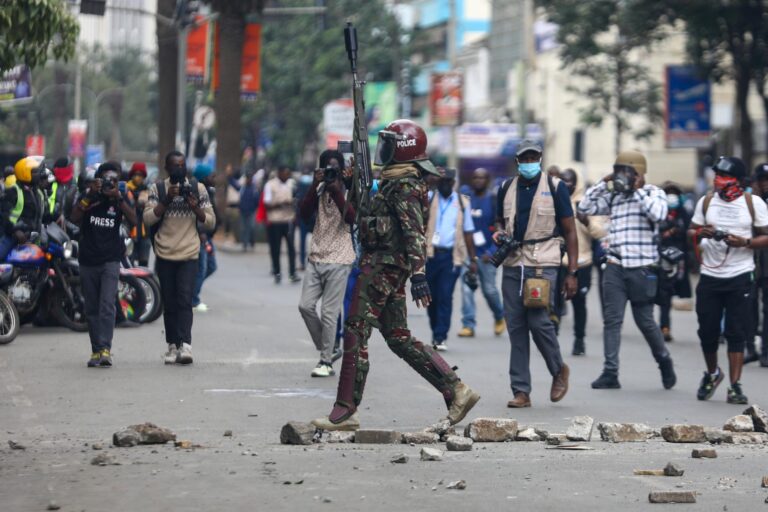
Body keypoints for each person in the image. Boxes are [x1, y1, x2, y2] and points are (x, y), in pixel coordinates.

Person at [311, 119, 481, 431]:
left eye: (389, 143)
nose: (383, 149)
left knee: (355, 328)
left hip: (383, 268)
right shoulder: (394, 183)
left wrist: (419, 274)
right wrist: (349, 185)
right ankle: (456, 390)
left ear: (402, 149)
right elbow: (361, 217)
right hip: (384, 266)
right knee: (398, 337)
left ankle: (346, 409)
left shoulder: (405, 186)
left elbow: (415, 233)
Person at [579, 150, 677, 391]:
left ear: (639, 173)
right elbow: (585, 206)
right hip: (615, 266)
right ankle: (610, 372)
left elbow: (658, 214)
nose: (622, 176)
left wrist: (636, 189)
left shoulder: (653, 193)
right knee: (612, 321)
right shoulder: (615, 197)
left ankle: (663, 360)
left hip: (642, 268)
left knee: (645, 321)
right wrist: (605, 181)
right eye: (620, 171)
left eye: (626, 172)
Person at [494, 139, 576, 408]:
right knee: (516, 327)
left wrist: (572, 271)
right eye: (524, 158)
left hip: (543, 262)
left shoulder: (555, 187)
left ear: (540, 158)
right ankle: (521, 391)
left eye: (533, 157)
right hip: (513, 262)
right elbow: (497, 221)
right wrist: (498, 234)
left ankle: (558, 370)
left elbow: (570, 230)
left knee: (539, 321)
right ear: (517, 161)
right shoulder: (506, 187)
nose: (529, 162)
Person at [688, 157, 768, 404]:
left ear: (737, 181)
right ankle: (712, 373)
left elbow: (766, 237)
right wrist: (702, 232)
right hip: (710, 276)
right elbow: (691, 231)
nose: (718, 180)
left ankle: (735, 385)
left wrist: (744, 242)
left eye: (723, 176)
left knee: (737, 332)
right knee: (708, 331)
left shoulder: (752, 204)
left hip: (740, 275)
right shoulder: (707, 201)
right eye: (717, 175)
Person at [144, 151, 215, 365]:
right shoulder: (157, 188)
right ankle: (172, 345)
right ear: (167, 168)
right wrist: (166, 200)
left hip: (189, 252)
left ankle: (186, 346)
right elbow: (147, 219)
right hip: (165, 252)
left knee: (185, 299)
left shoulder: (197, 188)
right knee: (170, 302)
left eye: (182, 165)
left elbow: (210, 221)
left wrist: (195, 207)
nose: (179, 169)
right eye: (175, 165)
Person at [71, 162, 137, 367]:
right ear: (98, 180)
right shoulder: (89, 197)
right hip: (88, 260)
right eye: (107, 179)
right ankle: (95, 350)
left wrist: (118, 198)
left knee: (107, 305)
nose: (111, 183)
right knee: (91, 308)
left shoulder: (119, 199)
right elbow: (73, 218)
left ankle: (106, 349)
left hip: (110, 260)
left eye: (115, 180)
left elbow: (135, 221)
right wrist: (90, 195)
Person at [298, 150, 356, 377]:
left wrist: (338, 191)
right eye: (327, 168)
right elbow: (303, 214)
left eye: (336, 168)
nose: (332, 173)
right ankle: (330, 348)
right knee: (305, 306)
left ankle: (326, 362)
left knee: (330, 313)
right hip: (316, 256)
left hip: (340, 258)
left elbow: (351, 218)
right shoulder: (319, 188)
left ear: (342, 170)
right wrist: (315, 185)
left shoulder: (351, 190)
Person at [425, 167, 477, 351]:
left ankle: (440, 336)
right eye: (442, 181)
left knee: (445, 296)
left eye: (448, 182)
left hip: (450, 257)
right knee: (431, 297)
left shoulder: (462, 202)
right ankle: (435, 330)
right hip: (430, 256)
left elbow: (468, 231)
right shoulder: (429, 198)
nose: (445, 185)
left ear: (453, 183)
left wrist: (473, 260)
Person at [558, 168, 607, 356]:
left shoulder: (586, 204)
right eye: (563, 180)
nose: (566, 184)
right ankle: (552, 338)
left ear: (576, 183)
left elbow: (601, 233)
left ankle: (579, 340)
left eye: (569, 181)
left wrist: (586, 221)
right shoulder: (555, 201)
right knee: (554, 303)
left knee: (579, 303)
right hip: (557, 261)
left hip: (582, 262)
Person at [458, 168, 506, 339]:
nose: (478, 180)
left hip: (487, 255)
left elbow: (500, 228)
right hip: (468, 254)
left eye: (482, 177)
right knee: (466, 289)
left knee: (490, 290)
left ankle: (500, 316)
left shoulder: (493, 200)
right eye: (475, 177)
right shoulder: (466, 199)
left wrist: (492, 251)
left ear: (488, 180)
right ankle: (468, 324)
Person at [657, 182, 693, 343]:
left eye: (674, 193)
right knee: (662, 294)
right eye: (668, 193)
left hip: (678, 260)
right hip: (660, 258)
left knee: (670, 292)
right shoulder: (658, 212)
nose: (671, 196)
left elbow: (689, 234)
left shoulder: (683, 213)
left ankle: (664, 327)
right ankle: (663, 327)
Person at [0, 156, 48, 261]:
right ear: (25, 173)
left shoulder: (38, 192)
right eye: (35, 172)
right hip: (14, 237)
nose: (39, 175)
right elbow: (4, 214)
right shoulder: (13, 191)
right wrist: (15, 230)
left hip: (34, 237)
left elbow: (44, 216)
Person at [264, 165, 298, 283]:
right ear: (279, 173)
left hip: (288, 220)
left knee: (291, 248)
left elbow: (296, 198)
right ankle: (277, 272)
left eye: (288, 173)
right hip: (275, 221)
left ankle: (292, 273)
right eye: (285, 173)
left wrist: (292, 203)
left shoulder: (291, 184)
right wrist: (281, 204)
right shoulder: (270, 185)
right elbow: (267, 204)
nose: (287, 176)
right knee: (275, 248)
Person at [192, 163, 219, 312]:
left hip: (208, 235)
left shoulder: (209, 191)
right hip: (202, 236)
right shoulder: (197, 192)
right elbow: (197, 215)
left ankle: (191, 293)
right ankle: (193, 299)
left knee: (210, 266)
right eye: (211, 176)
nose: (214, 178)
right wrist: (202, 232)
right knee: (203, 267)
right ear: (203, 177)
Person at [127, 162, 151, 267]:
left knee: (143, 263)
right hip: (129, 232)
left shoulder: (147, 190)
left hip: (144, 232)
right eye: (135, 174)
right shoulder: (126, 190)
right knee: (129, 262)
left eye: (140, 175)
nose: (137, 177)